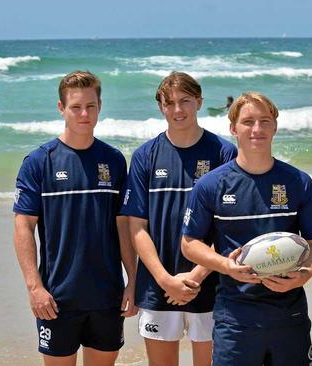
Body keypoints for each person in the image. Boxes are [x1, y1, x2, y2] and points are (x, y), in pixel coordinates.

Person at [181, 92, 312, 366]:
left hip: (289, 316)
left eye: (264, 121)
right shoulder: (211, 185)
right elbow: (189, 243)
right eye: (248, 122)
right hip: (235, 318)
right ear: (233, 128)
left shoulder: (298, 182)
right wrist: (226, 265)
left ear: (275, 127)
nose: (256, 129)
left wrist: (304, 275)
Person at [13, 70, 137, 366]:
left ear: (100, 107)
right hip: (56, 298)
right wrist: (34, 287)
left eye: (91, 106)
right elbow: (23, 226)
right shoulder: (39, 161)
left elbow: (123, 227)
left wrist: (133, 281)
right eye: (76, 107)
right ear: (61, 108)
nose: (84, 114)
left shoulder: (114, 160)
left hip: (107, 295)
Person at [120, 72, 237, 366]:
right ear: (160, 106)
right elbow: (137, 228)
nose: (177, 110)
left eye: (185, 101)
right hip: (158, 285)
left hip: (210, 284)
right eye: (169, 103)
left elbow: (226, 227)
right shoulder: (145, 155)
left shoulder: (224, 153)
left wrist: (196, 277)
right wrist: (164, 279)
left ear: (199, 101)